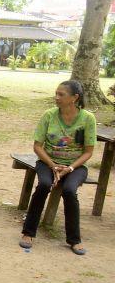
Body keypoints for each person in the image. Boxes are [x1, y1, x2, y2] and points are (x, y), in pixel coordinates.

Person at [20, 80, 96, 255]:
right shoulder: (49, 115)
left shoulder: (87, 119)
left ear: (74, 98)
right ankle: (28, 232)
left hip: (76, 166)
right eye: (56, 93)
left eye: (61, 94)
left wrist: (69, 168)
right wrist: (53, 165)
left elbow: (88, 152)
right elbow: (37, 146)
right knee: (44, 185)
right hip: (48, 162)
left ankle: (74, 239)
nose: (57, 97)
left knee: (69, 190)